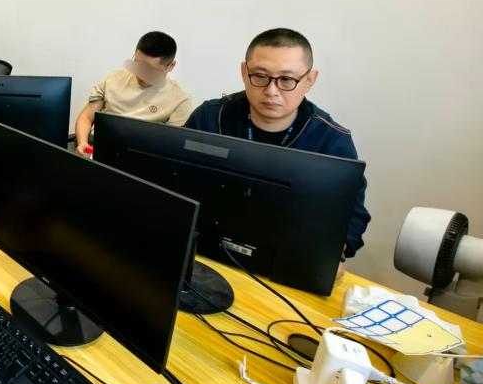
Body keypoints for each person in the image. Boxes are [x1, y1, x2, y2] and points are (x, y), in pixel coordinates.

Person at [184, 28, 370, 260]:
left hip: (287, 259)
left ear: (309, 80)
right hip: (204, 247)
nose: (271, 92)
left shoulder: (331, 140)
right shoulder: (211, 117)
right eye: (260, 76)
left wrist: (329, 256)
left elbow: (353, 217)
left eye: (287, 80)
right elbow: (172, 179)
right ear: (244, 72)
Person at [75, 32, 194, 155]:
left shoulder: (181, 99)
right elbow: (86, 117)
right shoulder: (112, 79)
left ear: (171, 66)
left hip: (143, 158)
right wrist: (82, 143)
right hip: (100, 150)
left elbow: (171, 146)